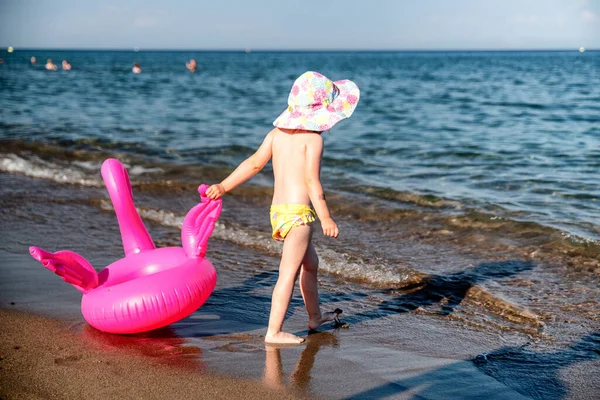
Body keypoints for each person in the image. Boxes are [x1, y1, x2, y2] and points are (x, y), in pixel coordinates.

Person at [206, 71, 360, 344]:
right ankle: (273, 332)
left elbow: (253, 164)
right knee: (287, 273)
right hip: (300, 216)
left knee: (310, 264)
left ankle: (314, 317)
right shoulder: (313, 140)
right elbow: (313, 182)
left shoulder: (275, 135)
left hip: (278, 214)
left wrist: (223, 186)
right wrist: (326, 217)